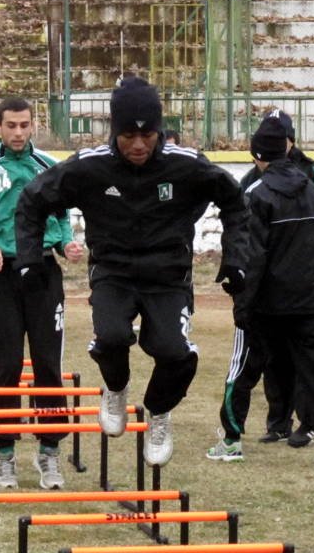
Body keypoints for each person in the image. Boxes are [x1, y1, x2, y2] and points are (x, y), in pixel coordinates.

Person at [15, 77, 249, 467]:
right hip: (113, 273)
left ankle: (158, 412)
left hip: (168, 278)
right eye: (128, 135)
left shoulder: (185, 166)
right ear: (113, 131)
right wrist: (30, 260)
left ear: (159, 131)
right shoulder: (89, 168)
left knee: (175, 353)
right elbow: (31, 202)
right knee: (111, 336)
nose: (139, 145)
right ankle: (115, 387)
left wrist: (236, 259)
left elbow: (236, 202)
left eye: (148, 135)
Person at [0, 97, 84, 489]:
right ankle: (5, 456)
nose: (18, 132)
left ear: (33, 126)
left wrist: (67, 244)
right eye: (10, 125)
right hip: (0, 275)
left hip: (43, 272)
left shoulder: (48, 166)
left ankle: (49, 454)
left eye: (24, 125)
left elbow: (62, 216)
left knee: (48, 363)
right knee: (7, 365)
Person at [208, 117, 314, 468]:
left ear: (257, 155)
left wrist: (241, 301)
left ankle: (231, 440)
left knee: (243, 369)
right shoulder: (313, 188)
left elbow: (253, 256)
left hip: (266, 304)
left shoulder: (257, 193)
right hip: (309, 300)